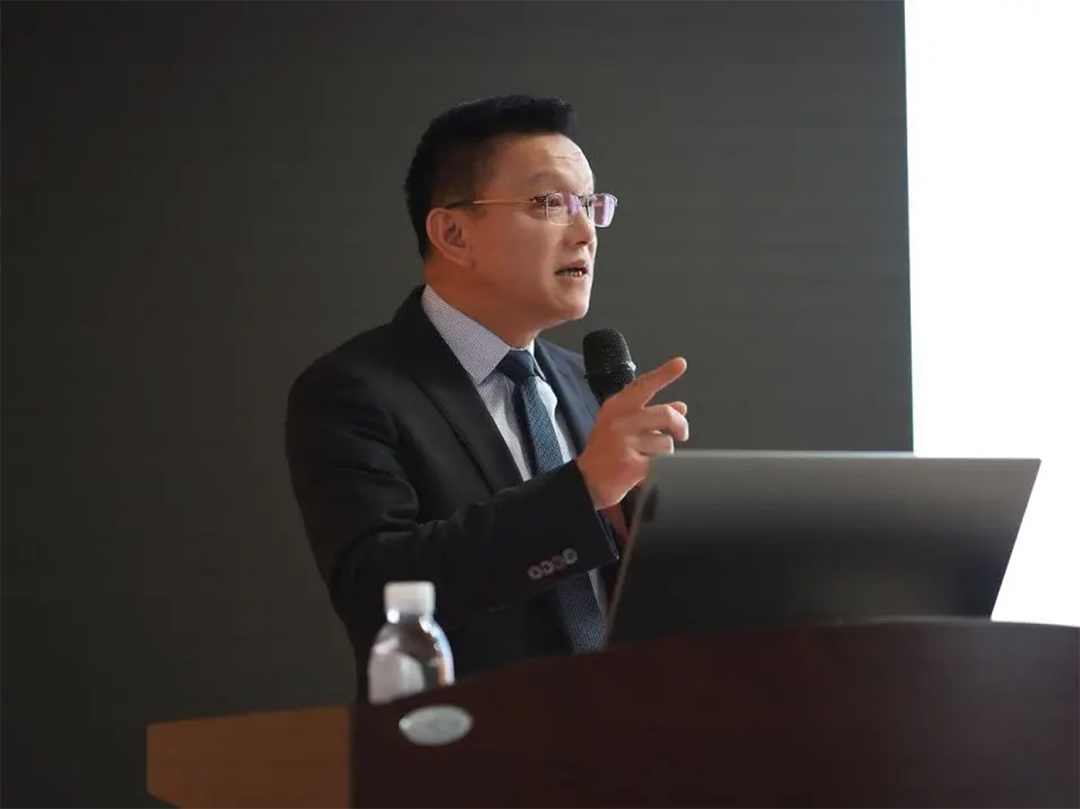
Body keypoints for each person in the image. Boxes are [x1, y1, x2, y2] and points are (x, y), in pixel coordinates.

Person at [285, 94, 689, 696]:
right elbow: (377, 592)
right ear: (453, 233)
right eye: (550, 203)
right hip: (473, 741)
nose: (585, 232)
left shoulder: (589, 384)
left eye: (590, 205)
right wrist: (583, 489)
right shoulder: (354, 391)